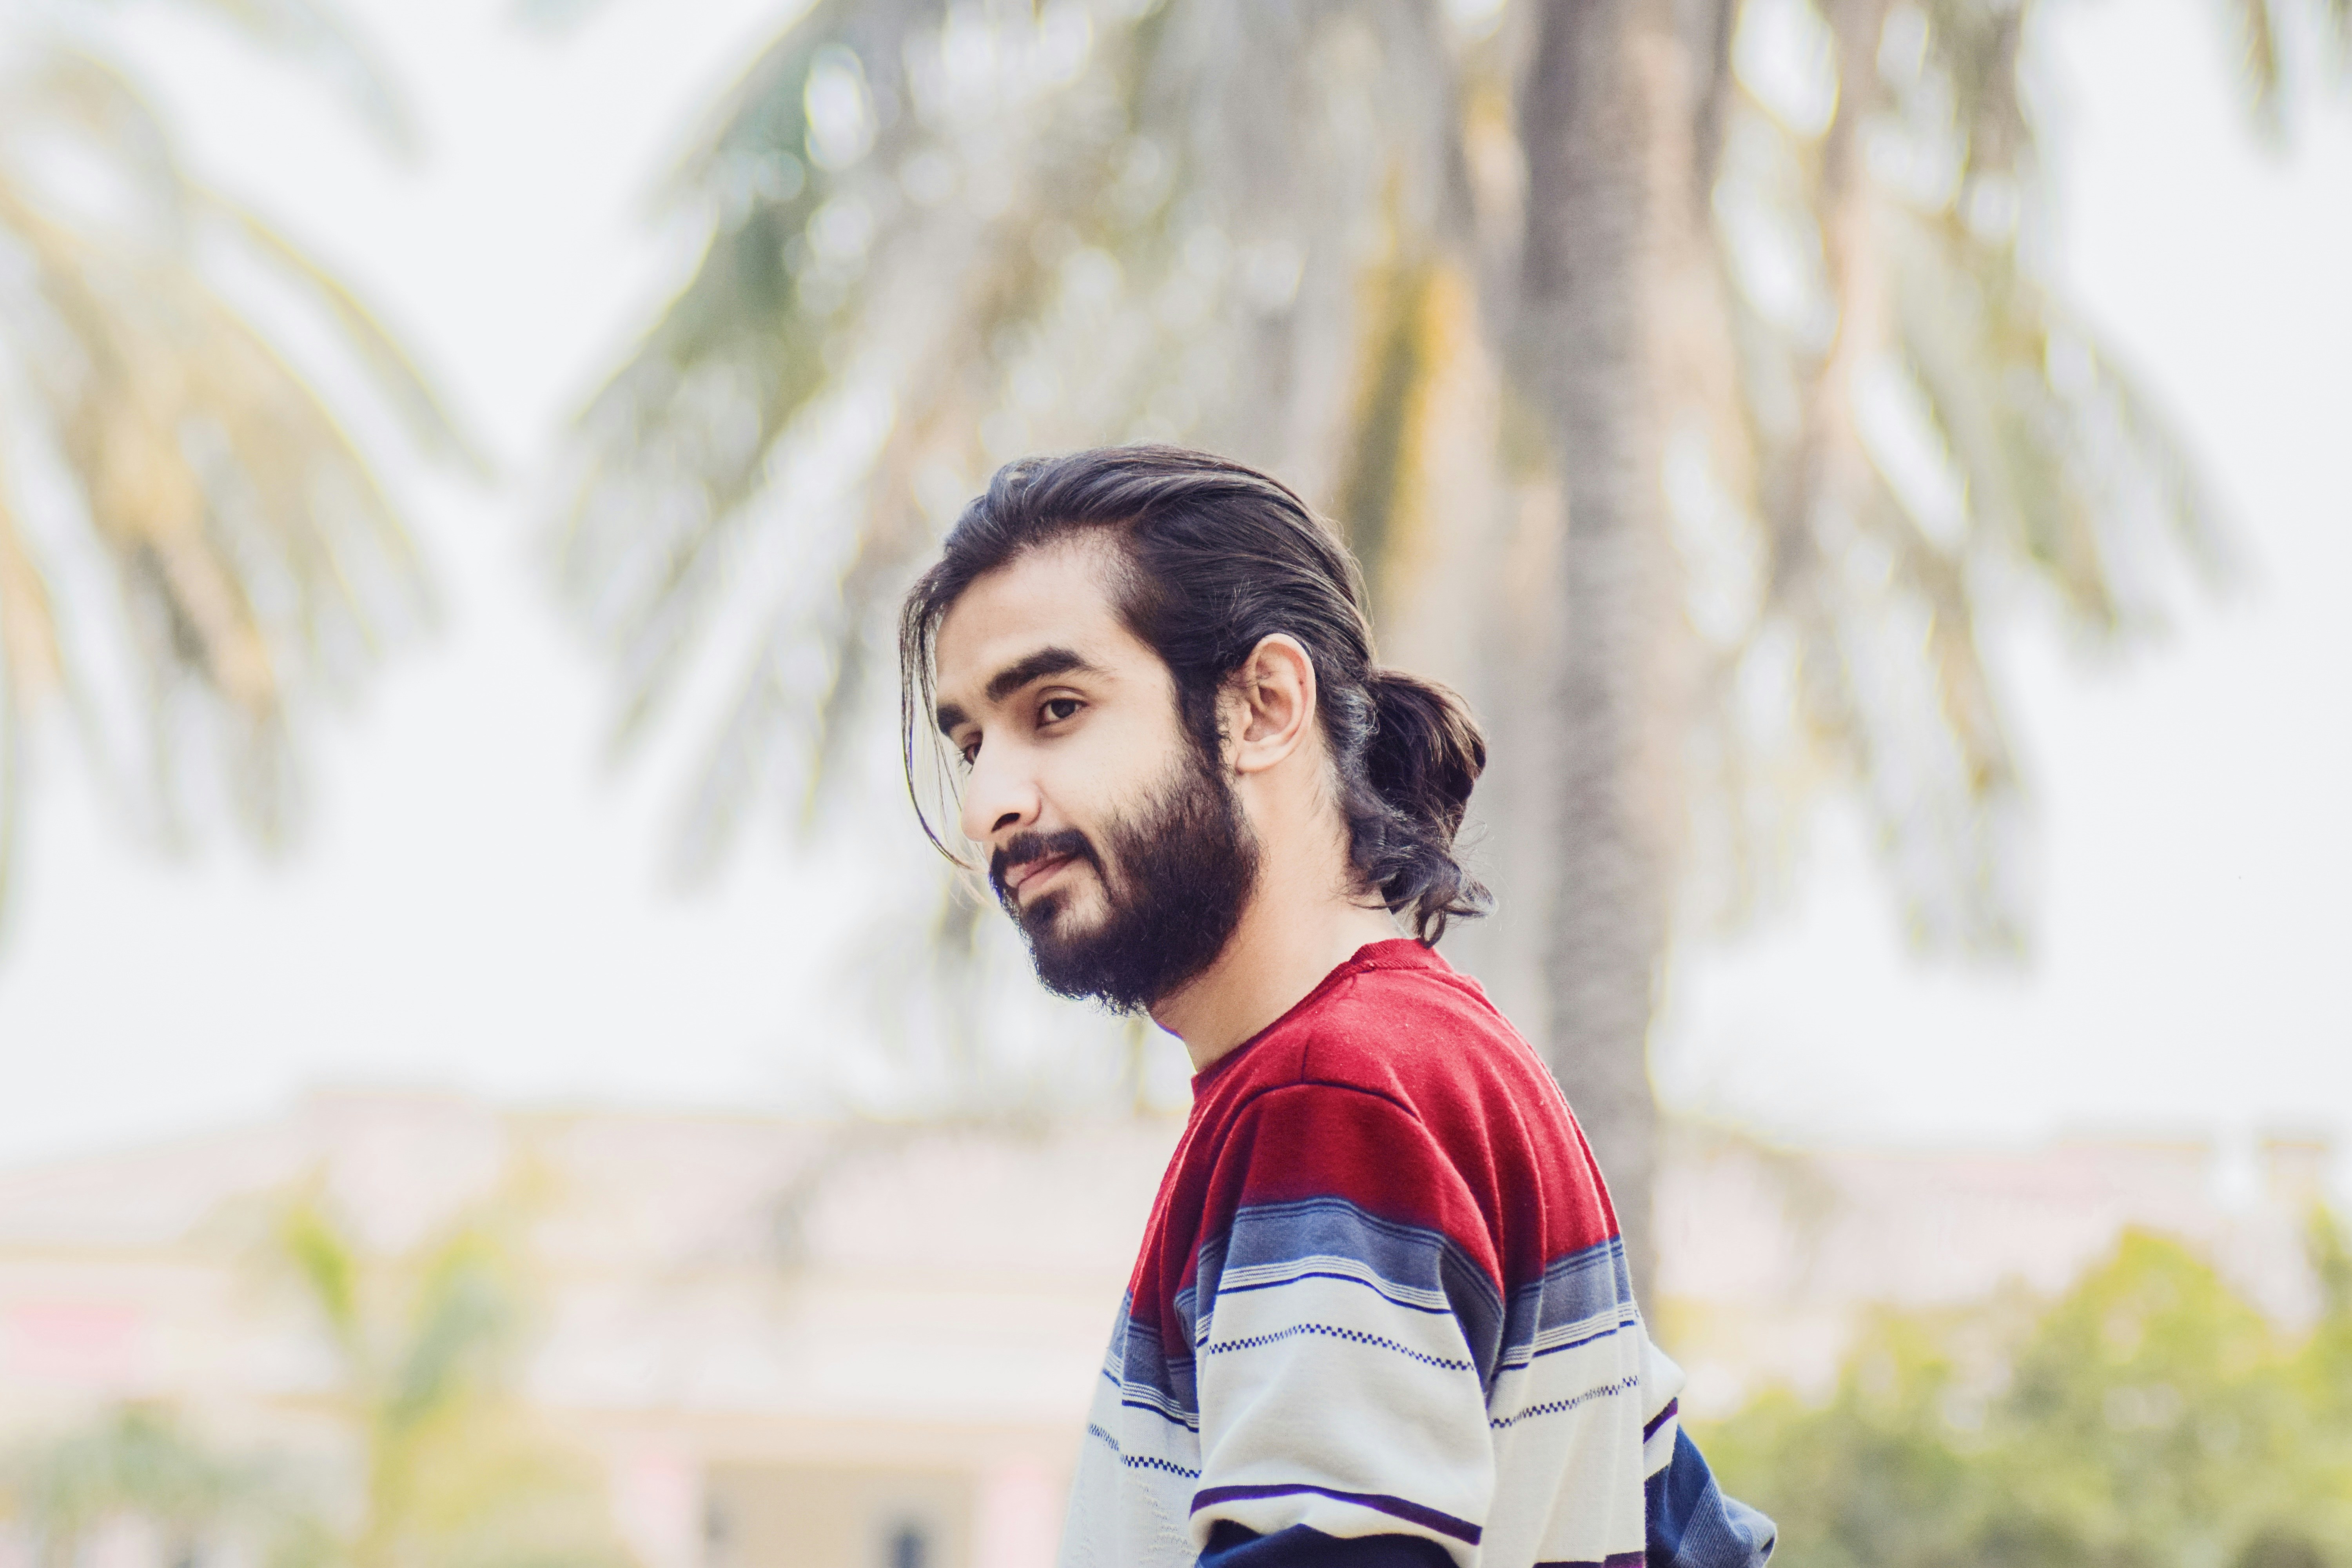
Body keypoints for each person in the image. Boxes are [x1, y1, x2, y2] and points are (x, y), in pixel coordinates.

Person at [898, 447, 1775, 1568]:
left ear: (1264, 706)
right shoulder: (1442, 1064)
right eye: (972, 742)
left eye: (1056, 709)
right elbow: (1697, 1542)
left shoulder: (1331, 1096)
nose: (987, 805)